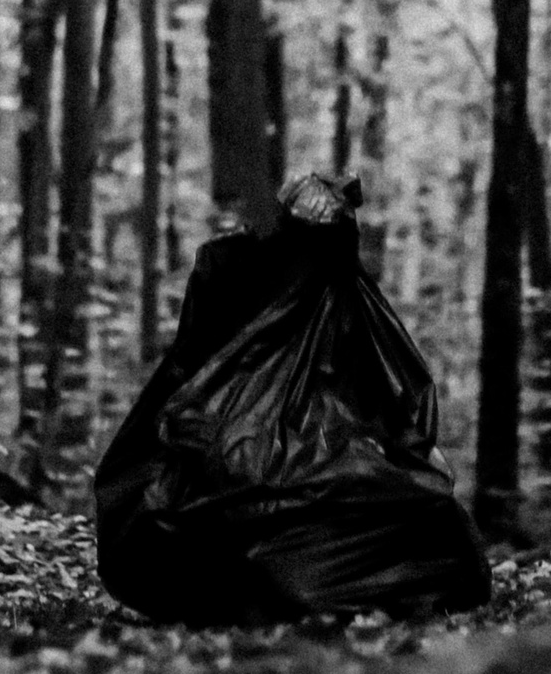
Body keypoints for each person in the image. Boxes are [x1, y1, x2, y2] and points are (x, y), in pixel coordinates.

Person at [93, 171, 492, 624]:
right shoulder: (245, 287)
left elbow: (391, 408)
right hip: (258, 473)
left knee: (428, 513)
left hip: (321, 467)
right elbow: (197, 397)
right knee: (269, 545)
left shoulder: (343, 308)